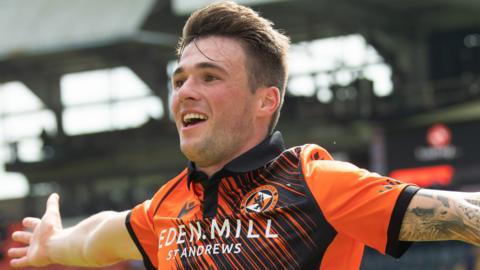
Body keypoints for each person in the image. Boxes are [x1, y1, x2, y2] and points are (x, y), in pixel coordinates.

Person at [7, 1, 480, 269]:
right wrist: (53, 244)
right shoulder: (167, 208)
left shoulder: (317, 184)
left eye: (210, 77)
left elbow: (470, 214)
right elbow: (97, 235)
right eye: (179, 80)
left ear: (265, 101)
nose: (185, 93)